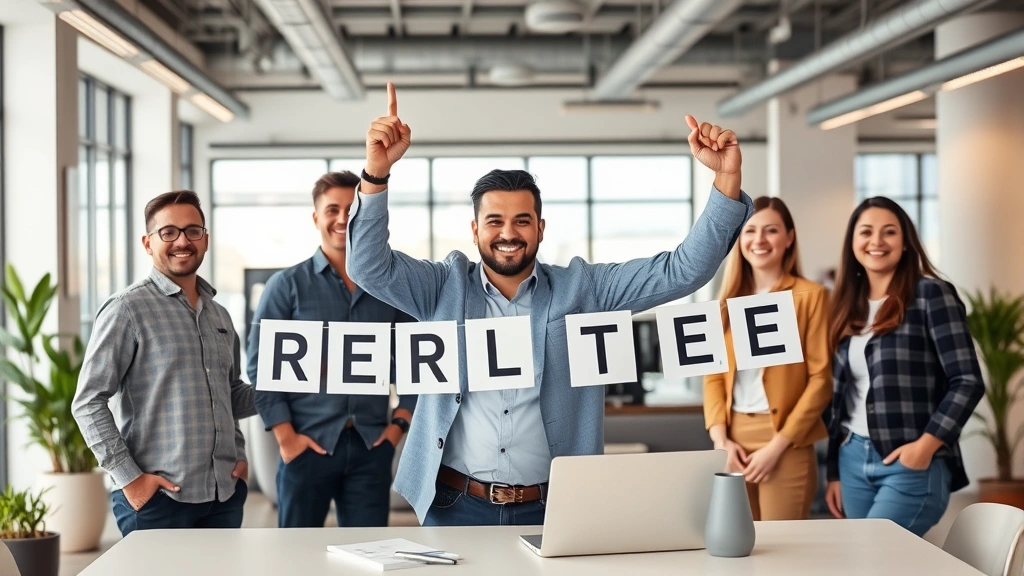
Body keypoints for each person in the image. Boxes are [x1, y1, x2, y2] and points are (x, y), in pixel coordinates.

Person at [345, 83, 754, 526]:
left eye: (522, 221)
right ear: (475, 230)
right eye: (494, 221)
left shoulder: (585, 289)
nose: (508, 233)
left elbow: (681, 271)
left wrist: (726, 180)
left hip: (552, 505)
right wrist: (376, 173)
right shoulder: (443, 287)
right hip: (453, 503)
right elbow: (367, 266)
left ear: (540, 228)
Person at [73, 191, 256, 536]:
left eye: (192, 231)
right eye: (168, 232)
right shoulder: (127, 309)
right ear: (148, 243)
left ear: (205, 240)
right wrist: (130, 479)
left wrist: (286, 386)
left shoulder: (220, 315)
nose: (182, 241)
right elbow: (87, 402)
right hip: (159, 500)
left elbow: (229, 395)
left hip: (224, 495)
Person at [247, 171, 416, 528]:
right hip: (306, 445)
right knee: (296, 553)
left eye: (351, 209)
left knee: (369, 552)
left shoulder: (388, 288)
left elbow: (415, 361)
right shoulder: (286, 286)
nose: (342, 218)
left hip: (371, 447)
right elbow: (261, 368)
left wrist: (398, 426)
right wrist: (286, 438)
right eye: (332, 210)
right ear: (316, 218)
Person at [823, 197, 984, 537]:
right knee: (864, 558)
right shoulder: (845, 305)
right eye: (866, 232)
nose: (877, 241)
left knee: (874, 555)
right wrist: (834, 472)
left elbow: (967, 380)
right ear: (852, 242)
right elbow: (840, 399)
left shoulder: (930, 294)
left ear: (906, 241)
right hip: (852, 460)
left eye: (889, 232)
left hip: (909, 461)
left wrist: (926, 446)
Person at [703, 196, 832, 521]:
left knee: (782, 545)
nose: (759, 240)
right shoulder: (725, 302)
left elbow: (821, 379)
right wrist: (721, 440)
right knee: (736, 542)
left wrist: (777, 446)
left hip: (785, 441)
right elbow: (713, 376)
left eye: (771, 230)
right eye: (750, 231)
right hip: (732, 441)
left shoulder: (810, 296)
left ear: (789, 238)